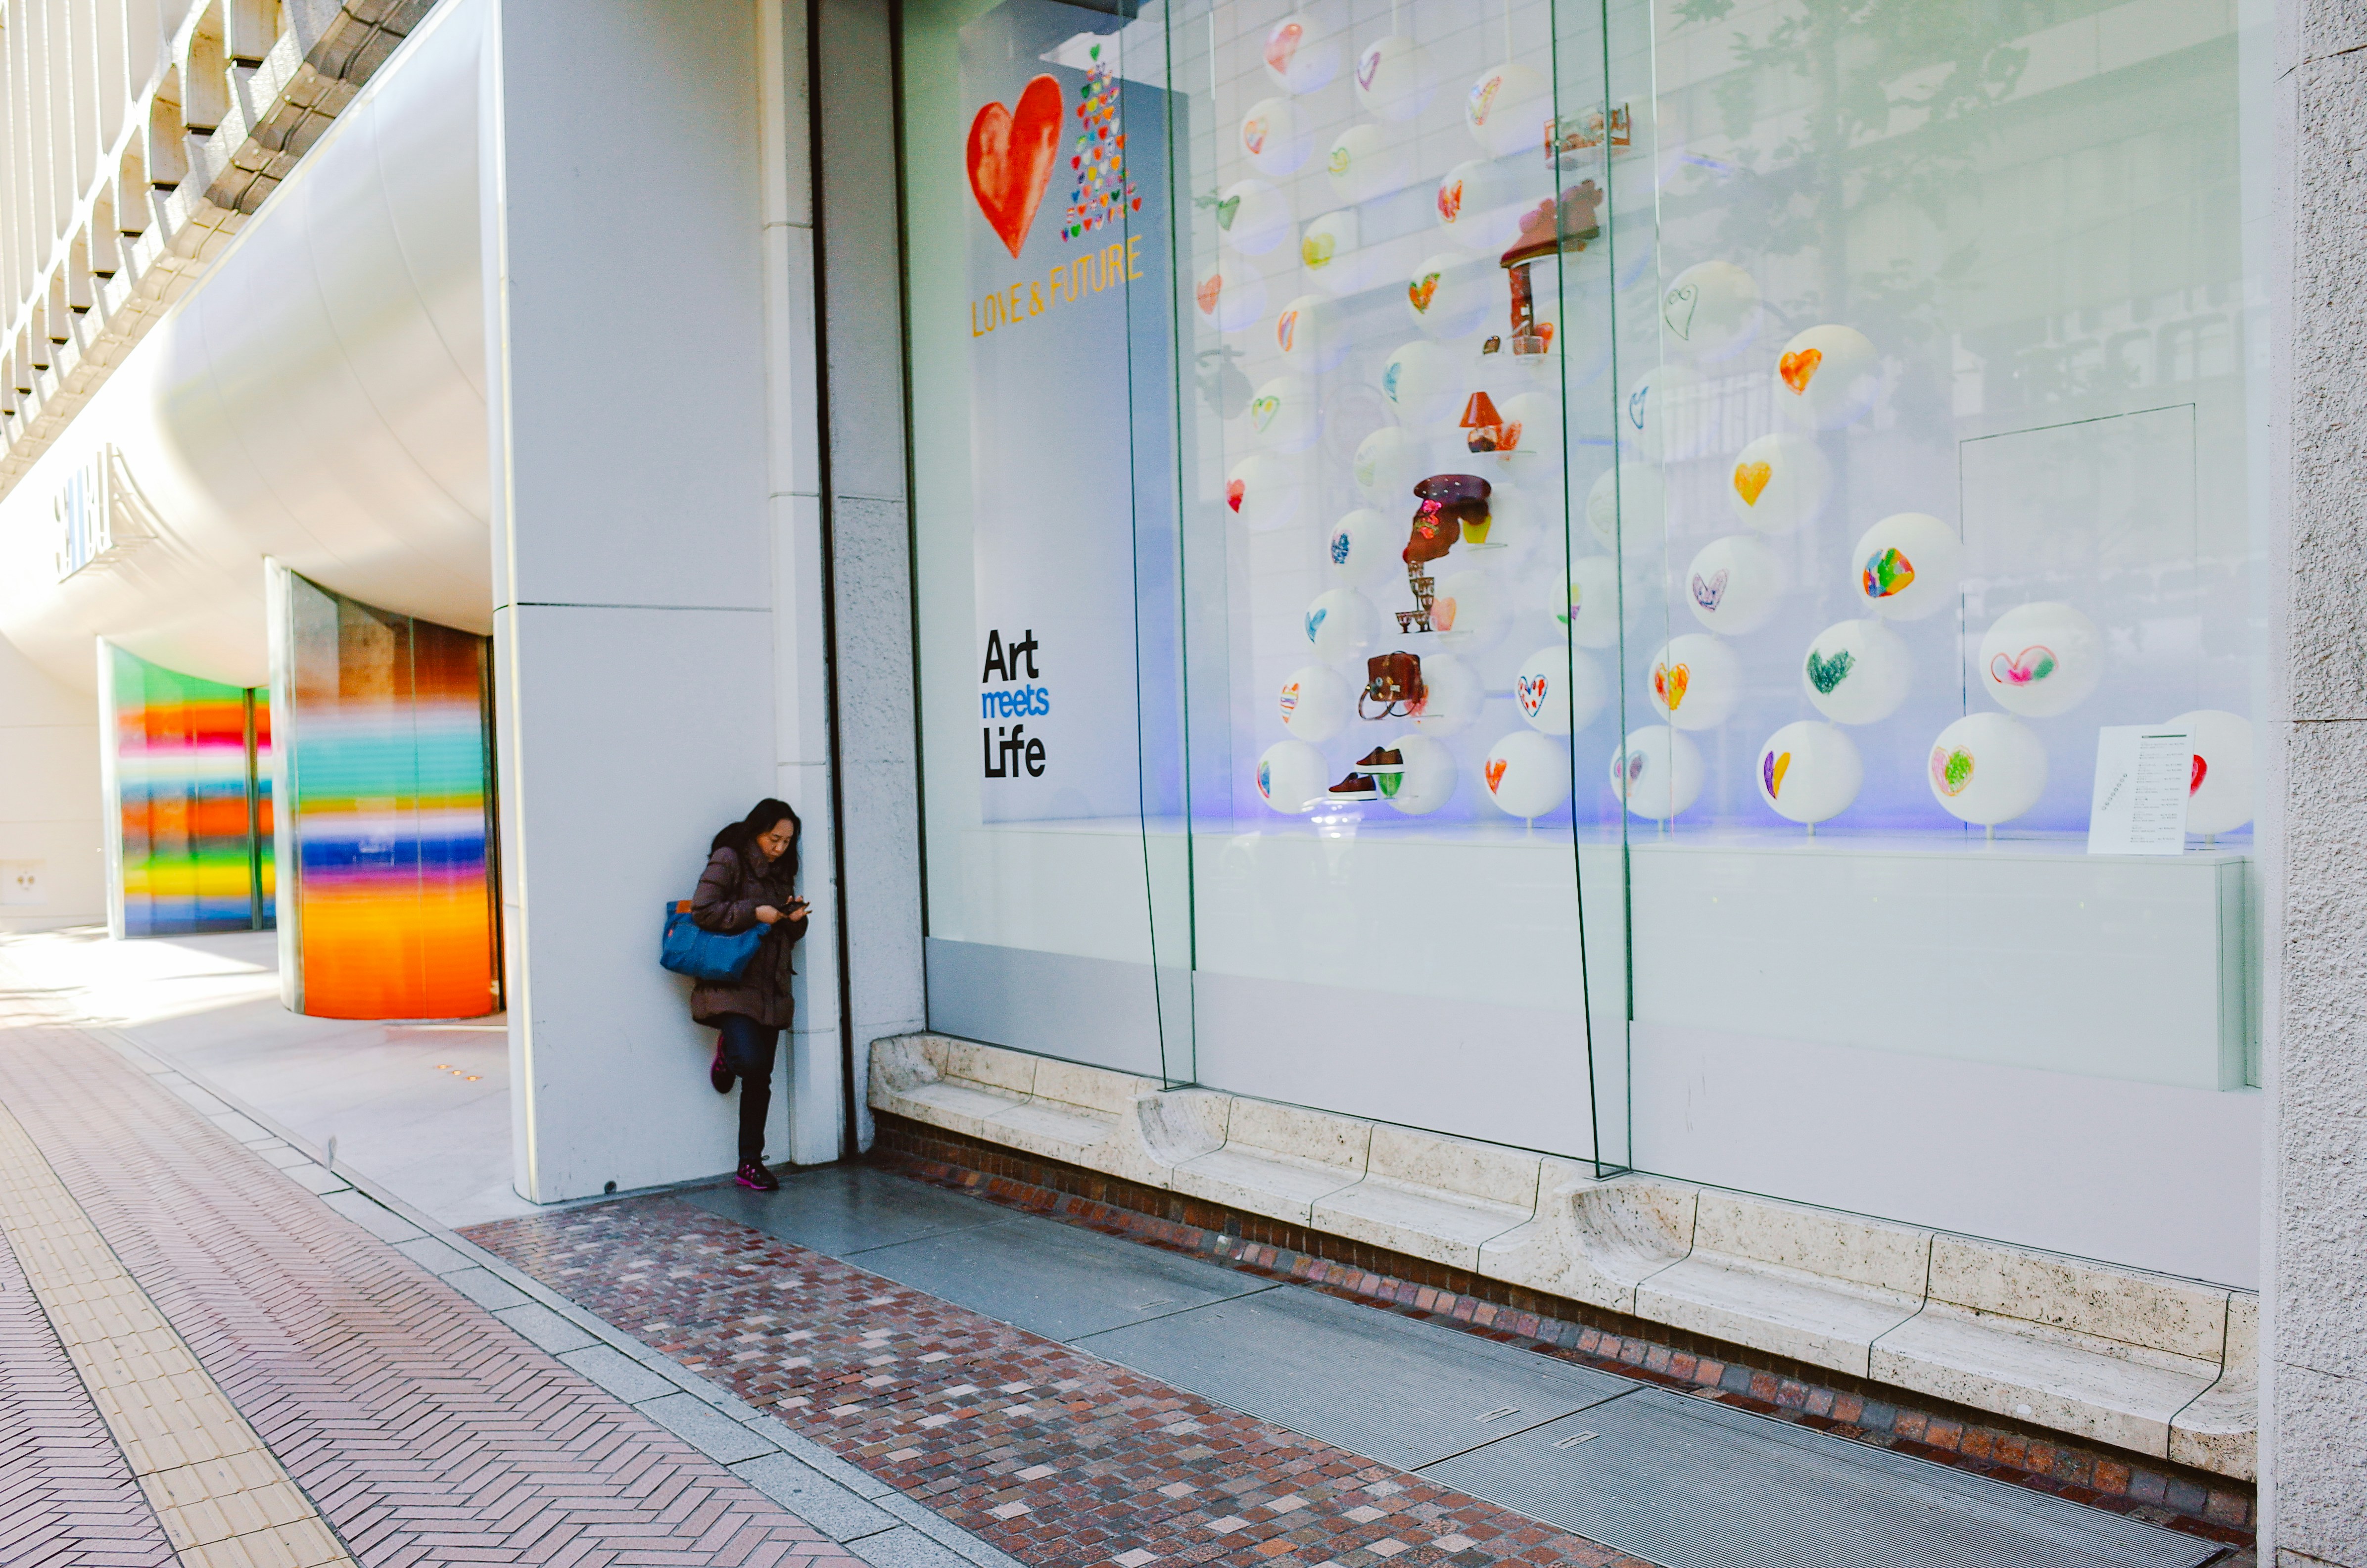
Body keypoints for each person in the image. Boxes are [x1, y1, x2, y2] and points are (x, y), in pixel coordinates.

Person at [688, 798, 810, 1190]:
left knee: (762, 1079)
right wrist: (755, 912)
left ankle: (750, 1163)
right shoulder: (729, 859)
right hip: (733, 981)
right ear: (757, 830)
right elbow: (703, 910)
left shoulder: (781, 870)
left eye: (787, 842)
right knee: (752, 1062)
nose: (780, 848)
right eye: (775, 839)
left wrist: (793, 920)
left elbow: (786, 933)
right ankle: (727, 1054)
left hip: (771, 985)